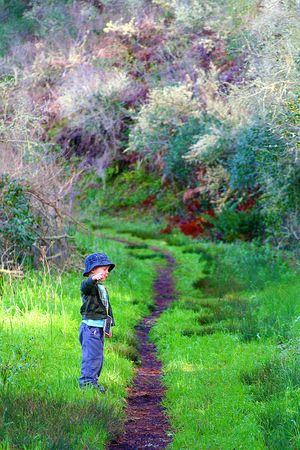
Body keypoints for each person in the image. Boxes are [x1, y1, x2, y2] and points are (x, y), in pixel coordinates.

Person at [78, 252, 116, 393]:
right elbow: (86, 286)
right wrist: (93, 279)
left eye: (107, 270)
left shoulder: (102, 288)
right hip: (90, 328)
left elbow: (106, 309)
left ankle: (93, 382)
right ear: (93, 270)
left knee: (98, 357)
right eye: (104, 269)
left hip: (99, 328)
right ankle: (87, 383)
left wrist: (108, 327)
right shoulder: (90, 286)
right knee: (91, 357)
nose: (106, 272)